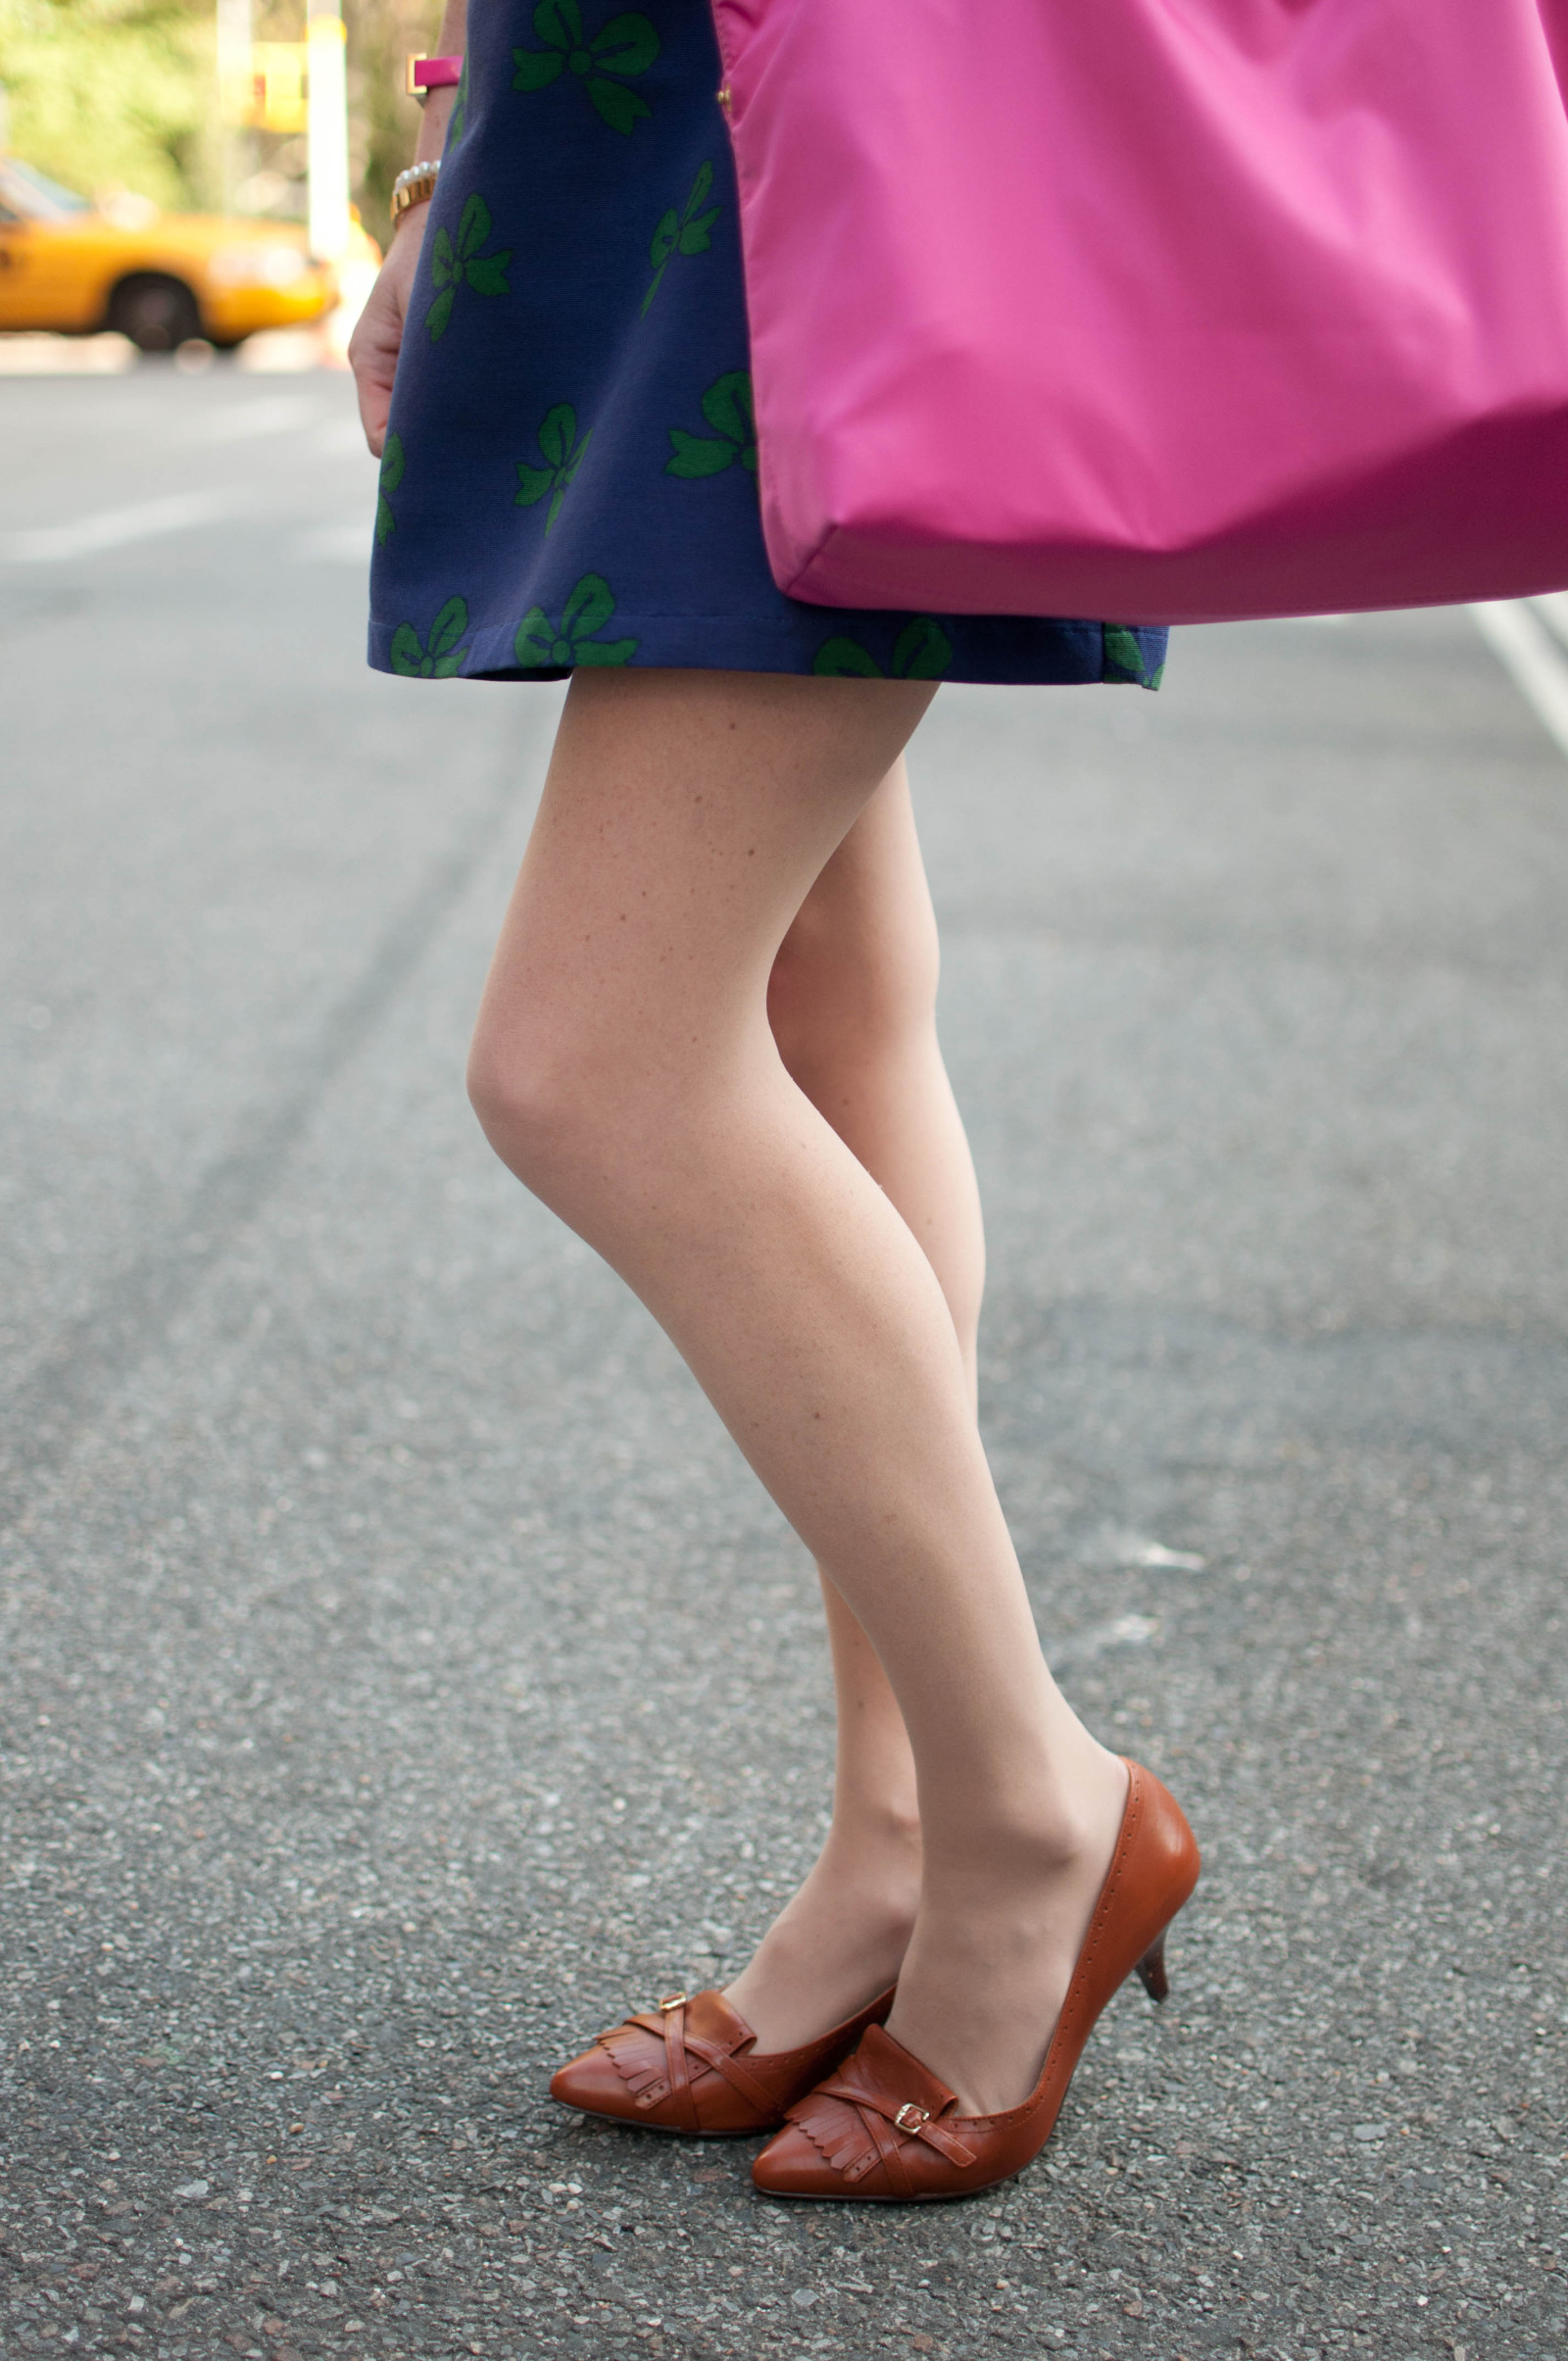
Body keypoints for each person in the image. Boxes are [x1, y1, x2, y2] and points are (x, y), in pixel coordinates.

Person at [350, 0, 1198, 2202]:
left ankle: (1033, 1805)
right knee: (817, 998)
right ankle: (894, 1834)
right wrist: (456, 149)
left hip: (848, 110)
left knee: (590, 1065)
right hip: (656, 108)